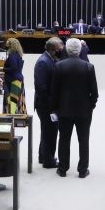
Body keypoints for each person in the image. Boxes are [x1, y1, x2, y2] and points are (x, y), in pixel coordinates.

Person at [50, 38, 98, 178]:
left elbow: (55, 92)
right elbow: (94, 93)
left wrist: (55, 109)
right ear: (80, 50)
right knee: (84, 140)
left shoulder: (59, 66)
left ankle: (63, 168)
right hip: (84, 111)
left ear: (66, 49)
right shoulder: (89, 66)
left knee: (64, 139)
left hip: (64, 110)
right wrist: (91, 106)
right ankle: (83, 170)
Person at [34, 37, 64, 168]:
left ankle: (43, 156)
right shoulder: (43, 62)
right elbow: (41, 87)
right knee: (50, 132)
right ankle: (49, 161)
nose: (61, 50)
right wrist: (51, 105)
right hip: (45, 105)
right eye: (59, 48)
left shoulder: (49, 59)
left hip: (46, 103)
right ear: (53, 49)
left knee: (46, 131)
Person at [3, 37, 26, 114]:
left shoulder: (12, 55)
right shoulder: (18, 55)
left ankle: (11, 119)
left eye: (8, 43)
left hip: (13, 80)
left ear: (11, 45)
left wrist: (4, 69)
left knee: (12, 102)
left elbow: (13, 67)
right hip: (17, 79)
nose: (6, 45)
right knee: (15, 101)